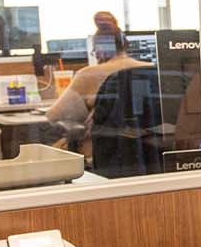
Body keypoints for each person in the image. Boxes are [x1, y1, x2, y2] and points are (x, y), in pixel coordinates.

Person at [44, 11, 150, 150]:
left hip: (101, 151)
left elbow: (55, 116)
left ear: (100, 49)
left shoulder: (88, 74)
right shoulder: (151, 69)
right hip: (147, 150)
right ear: (125, 45)